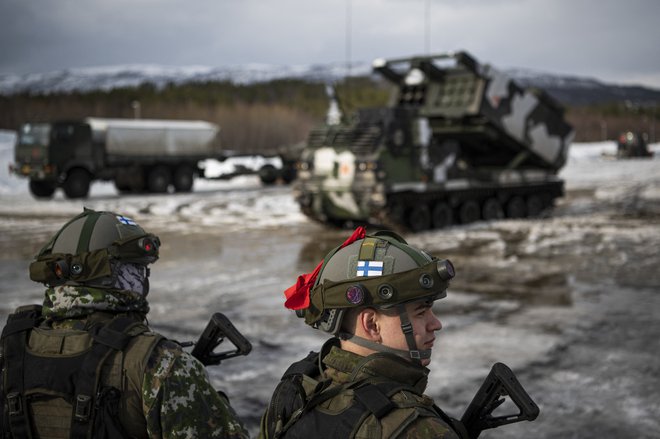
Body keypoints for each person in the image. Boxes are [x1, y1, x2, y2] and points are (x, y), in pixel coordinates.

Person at [0, 208, 248, 438]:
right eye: (133, 271)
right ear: (106, 274)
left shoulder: (9, 349)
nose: (141, 283)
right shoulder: (159, 362)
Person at [260, 227, 464, 438]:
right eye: (421, 312)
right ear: (372, 324)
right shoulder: (412, 426)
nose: (435, 324)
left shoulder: (297, 389)